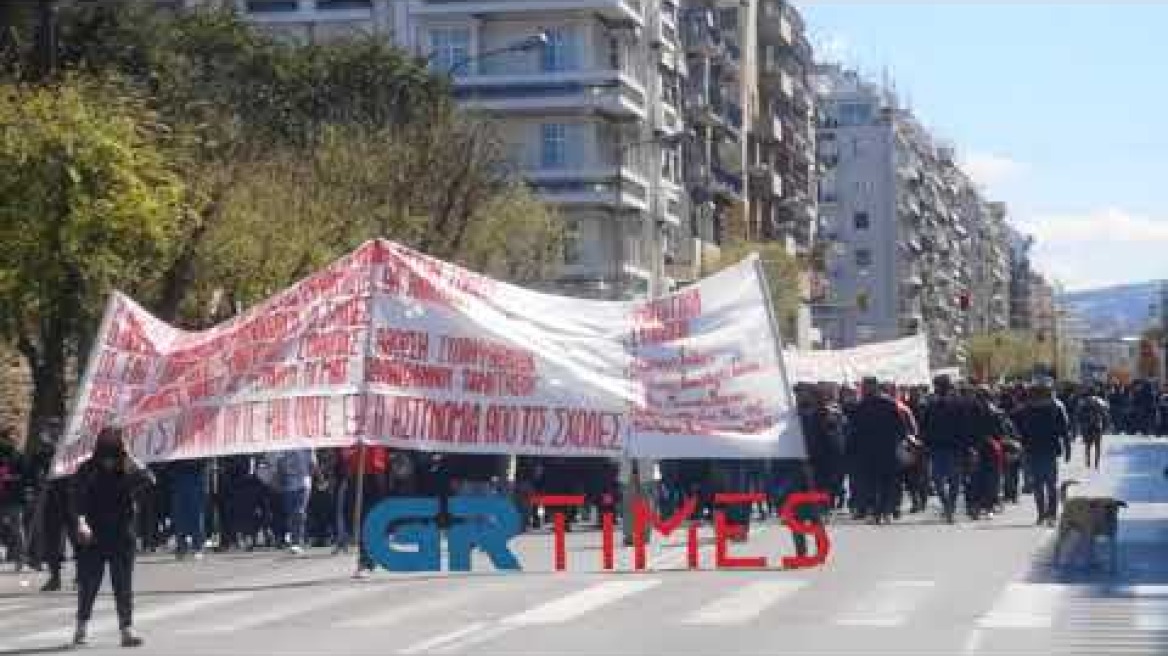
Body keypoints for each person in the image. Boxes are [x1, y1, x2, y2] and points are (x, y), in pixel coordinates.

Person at [70, 426, 155, 647]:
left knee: (123, 584)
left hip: (122, 533)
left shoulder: (127, 467)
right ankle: (81, 627)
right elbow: (77, 500)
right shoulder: (87, 469)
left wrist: (132, 461)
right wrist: (81, 522)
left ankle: (126, 630)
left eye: (117, 440)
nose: (112, 444)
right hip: (94, 534)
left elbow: (150, 481)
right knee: (89, 583)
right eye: (108, 439)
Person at [848, 378, 910, 524]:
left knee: (877, 482)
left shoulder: (866, 406)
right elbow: (900, 428)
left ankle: (882, 510)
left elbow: (853, 431)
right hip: (879, 450)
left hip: (875, 451)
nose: (866, 389)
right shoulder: (879, 405)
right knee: (880, 482)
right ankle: (881, 510)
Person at [1012, 381, 1071, 527]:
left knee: (1038, 484)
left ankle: (1041, 514)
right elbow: (1064, 430)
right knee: (1051, 483)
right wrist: (1067, 448)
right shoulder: (1056, 407)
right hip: (1050, 449)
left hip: (1032, 450)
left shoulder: (1026, 409)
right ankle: (1051, 514)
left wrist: (1022, 443)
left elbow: (1017, 428)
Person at [920, 375, 971, 524]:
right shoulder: (933, 405)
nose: (938, 389)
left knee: (948, 480)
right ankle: (948, 505)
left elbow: (964, 427)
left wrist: (965, 446)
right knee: (943, 480)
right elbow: (925, 427)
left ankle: (950, 506)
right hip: (942, 448)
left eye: (939, 386)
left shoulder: (956, 404)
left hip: (949, 448)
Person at [0, 425, 31, 572]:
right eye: (7, 438)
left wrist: (10, 478)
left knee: (17, 529)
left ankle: (21, 559)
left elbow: (25, 477)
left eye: (14, 437)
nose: (11, 441)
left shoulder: (19, 456)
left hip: (14, 498)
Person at [1078, 391, 1109, 470]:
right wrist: (1105, 425)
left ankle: (1088, 462)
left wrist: (1081, 426)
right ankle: (1096, 464)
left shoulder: (1083, 402)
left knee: (1088, 445)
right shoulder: (1100, 401)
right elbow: (1105, 414)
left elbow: (1079, 415)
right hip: (1097, 425)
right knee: (1097, 446)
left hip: (1087, 426)